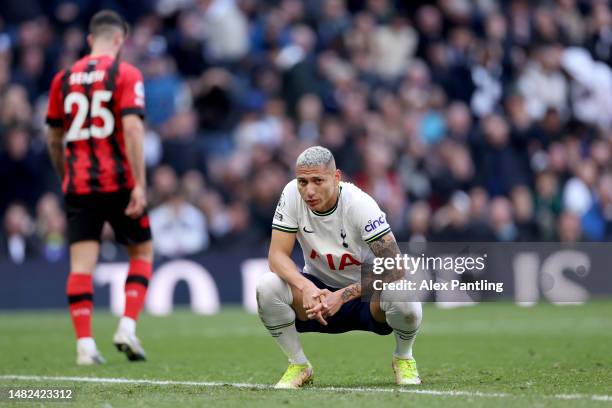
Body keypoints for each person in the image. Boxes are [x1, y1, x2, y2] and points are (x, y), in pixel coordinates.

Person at [257, 146, 422, 388]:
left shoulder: (359, 204)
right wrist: (305, 287)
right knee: (267, 286)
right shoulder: (292, 195)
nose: (309, 190)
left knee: (403, 294)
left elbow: (394, 266)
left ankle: (404, 357)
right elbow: (276, 256)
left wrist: (343, 296)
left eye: (317, 181)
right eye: (302, 182)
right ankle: (299, 364)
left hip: (364, 294)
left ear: (336, 178)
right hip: (319, 296)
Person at [45, 10, 152, 365]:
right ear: (120, 40)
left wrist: (65, 174)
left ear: (90, 40)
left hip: (79, 185)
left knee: (81, 267)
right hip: (119, 181)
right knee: (141, 253)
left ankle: (85, 345)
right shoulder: (126, 73)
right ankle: (126, 326)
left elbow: (53, 136)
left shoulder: (62, 79)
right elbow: (134, 130)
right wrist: (139, 184)